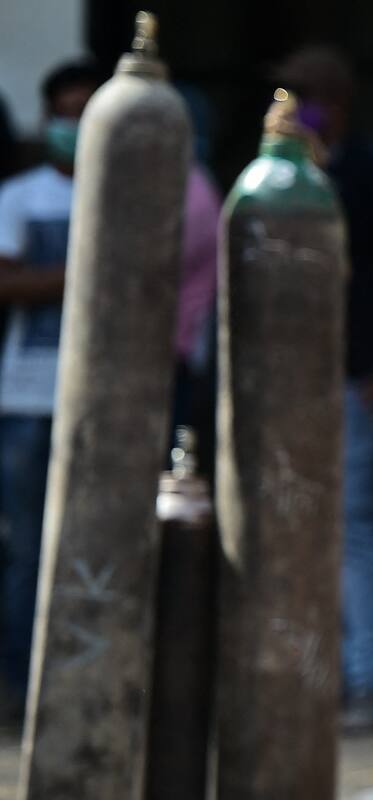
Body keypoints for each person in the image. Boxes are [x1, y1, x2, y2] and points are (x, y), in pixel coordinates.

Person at [276, 45, 373, 731]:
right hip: (287, 382)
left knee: (353, 521)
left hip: (356, 376)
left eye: (307, 94)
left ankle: (369, 678)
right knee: (291, 516)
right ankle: (306, 675)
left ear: (338, 99)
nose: (296, 105)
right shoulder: (276, 174)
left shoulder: (370, 170)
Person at [0, 59, 106, 715]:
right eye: (65, 113)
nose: (74, 126)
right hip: (27, 399)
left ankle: (83, 682)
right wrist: (88, 271)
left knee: (93, 547)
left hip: (104, 402)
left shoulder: (127, 192)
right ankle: (21, 687)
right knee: (27, 549)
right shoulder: (19, 197)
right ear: (46, 119)